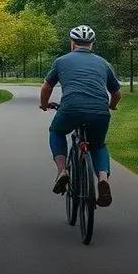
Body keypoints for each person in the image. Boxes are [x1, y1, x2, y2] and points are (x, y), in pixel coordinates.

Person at [40, 25, 121, 207]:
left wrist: (44, 105)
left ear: (72, 43)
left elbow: (47, 87)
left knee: (57, 131)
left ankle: (62, 171)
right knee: (98, 145)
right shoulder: (104, 63)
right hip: (100, 112)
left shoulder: (61, 61)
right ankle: (102, 179)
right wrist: (112, 106)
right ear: (92, 44)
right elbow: (116, 93)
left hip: (71, 109)